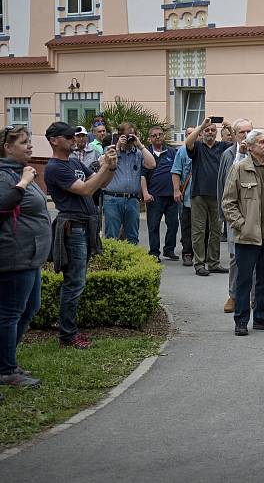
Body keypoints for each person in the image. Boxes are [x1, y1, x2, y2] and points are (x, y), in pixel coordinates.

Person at [44, 122, 118, 349]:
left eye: (73, 136)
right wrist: (105, 167)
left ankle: (70, 332)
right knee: (74, 282)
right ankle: (67, 335)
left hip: (84, 225)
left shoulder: (74, 162)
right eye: (67, 136)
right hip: (73, 226)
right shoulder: (55, 167)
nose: (73, 139)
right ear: (54, 140)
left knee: (77, 281)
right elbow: (86, 189)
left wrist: (110, 166)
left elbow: (99, 184)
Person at [222, 130, 264, 336]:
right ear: (250, 147)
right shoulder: (239, 169)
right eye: (261, 142)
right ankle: (241, 320)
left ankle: (261, 316)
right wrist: (241, 225)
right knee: (244, 279)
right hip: (248, 235)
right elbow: (228, 203)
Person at [0, 126, 51, 388]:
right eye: (23, 142)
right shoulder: (4, 175)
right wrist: (23, 183)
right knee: (10, 312)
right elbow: (3, 204)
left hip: (30, 256)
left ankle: (7, 360)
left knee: (29, 308)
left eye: (30, 141)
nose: (30, 146)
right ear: (7, 148)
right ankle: (6, 369)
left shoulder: (19, 171)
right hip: (14, 256)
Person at [185, 117, 232, 276]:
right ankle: (199, 264)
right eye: (207, 130)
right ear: (203, 132)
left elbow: (239, 146)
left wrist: (231, 128)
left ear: (217, 132)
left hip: (218, 195)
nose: (210, 132)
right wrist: (201, 126)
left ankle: (213, 263)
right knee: (198, 230)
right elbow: (187, 143)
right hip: (198, 194)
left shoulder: (222, 146)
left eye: (213, 130)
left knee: (216, 231)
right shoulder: (197, 146)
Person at [217, 119, 253, 313]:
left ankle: (254, 298)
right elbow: (223, 183)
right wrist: (222, 213)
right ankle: (234, 296)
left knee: (257, 257)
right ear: (235, 135)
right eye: (242, 133)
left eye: (249, 131)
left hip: (256, 214)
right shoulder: (229, 154)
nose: (246, 136)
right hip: (234, 213)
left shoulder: (260, 151)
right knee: (235, 257)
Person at [103, 122, 156, 244]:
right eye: (127, 136)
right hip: (113, 199)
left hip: (132, 199)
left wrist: (140, 145)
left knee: (132, 236)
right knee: (111, 236)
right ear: (120, 136)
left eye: (133, 135)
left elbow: (152, 164)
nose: (130, 138)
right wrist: (118, 147)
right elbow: (105, 164)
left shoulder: (137, 153)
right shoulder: (111, 150)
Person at [141, 126, 179, 261]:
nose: (158, 137)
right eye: (154, 135)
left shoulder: (171, 152)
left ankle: (169, 250)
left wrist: (177, 190)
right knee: (153, 225)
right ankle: (154, 252)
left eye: (160, 134)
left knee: (174, 224)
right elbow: (142, 176)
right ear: (149, 138)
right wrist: (145, 193)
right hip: (154, 196)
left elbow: (177, 171)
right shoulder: (146, 153)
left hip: (171, 196)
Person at [171, 126, 198, 266]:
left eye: (192, 134)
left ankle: (201, 254)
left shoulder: (203, 149)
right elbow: (176, 171)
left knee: (201, 227)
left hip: (202, 196)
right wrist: (177, 190)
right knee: (186, 227)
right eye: (187, 134)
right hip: (186, 196)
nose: (190, 136)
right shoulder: (181, 151)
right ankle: (187, 253)